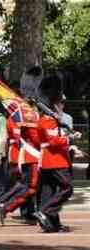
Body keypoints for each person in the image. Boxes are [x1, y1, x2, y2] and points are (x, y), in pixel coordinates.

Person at [34, 75, 81, 232]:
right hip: (54, 160)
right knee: (67, 188)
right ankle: (45, 212)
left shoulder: (53, 120)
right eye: (60, 103)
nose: (62, 106)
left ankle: (52, 224)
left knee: (50, 192)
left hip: (53, 160)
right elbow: (54, 142)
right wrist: (70, 138)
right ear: (53, 105)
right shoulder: (46, 121)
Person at [0, 102, 41, 225]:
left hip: (23, 156)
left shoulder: (18, 119)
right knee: (29, 187)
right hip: (29, 156)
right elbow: (34, 139)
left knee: (24, 186)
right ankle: (4, 204)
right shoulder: (28, 119)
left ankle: (26, 212)